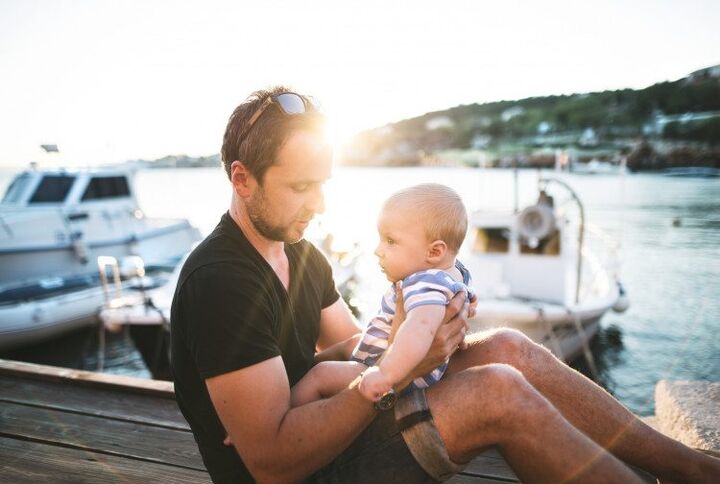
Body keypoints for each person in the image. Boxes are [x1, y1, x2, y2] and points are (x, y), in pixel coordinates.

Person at [170, 86, 720, 483]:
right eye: (301, 187)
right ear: (241, 178)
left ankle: (690, 468)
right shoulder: (221, 282)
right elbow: (272, 462)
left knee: (505, 347)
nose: (319, 204)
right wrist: (392, 370)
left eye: (323, 184)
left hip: (333, 425)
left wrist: (425, 331)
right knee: (496, 392)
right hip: (303, 470)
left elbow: (350, 349)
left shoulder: (302, 255)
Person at [290, 183, 477, 408]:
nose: (378, 250)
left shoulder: (425, 284)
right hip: (385, 356)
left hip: (392, 370)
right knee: (348, 344)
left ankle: (286, 412)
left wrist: (384, 375)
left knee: (320, 375)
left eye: (390, 241)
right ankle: (294, 376)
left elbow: (420, 329)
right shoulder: (451, 275)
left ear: (434, 252)